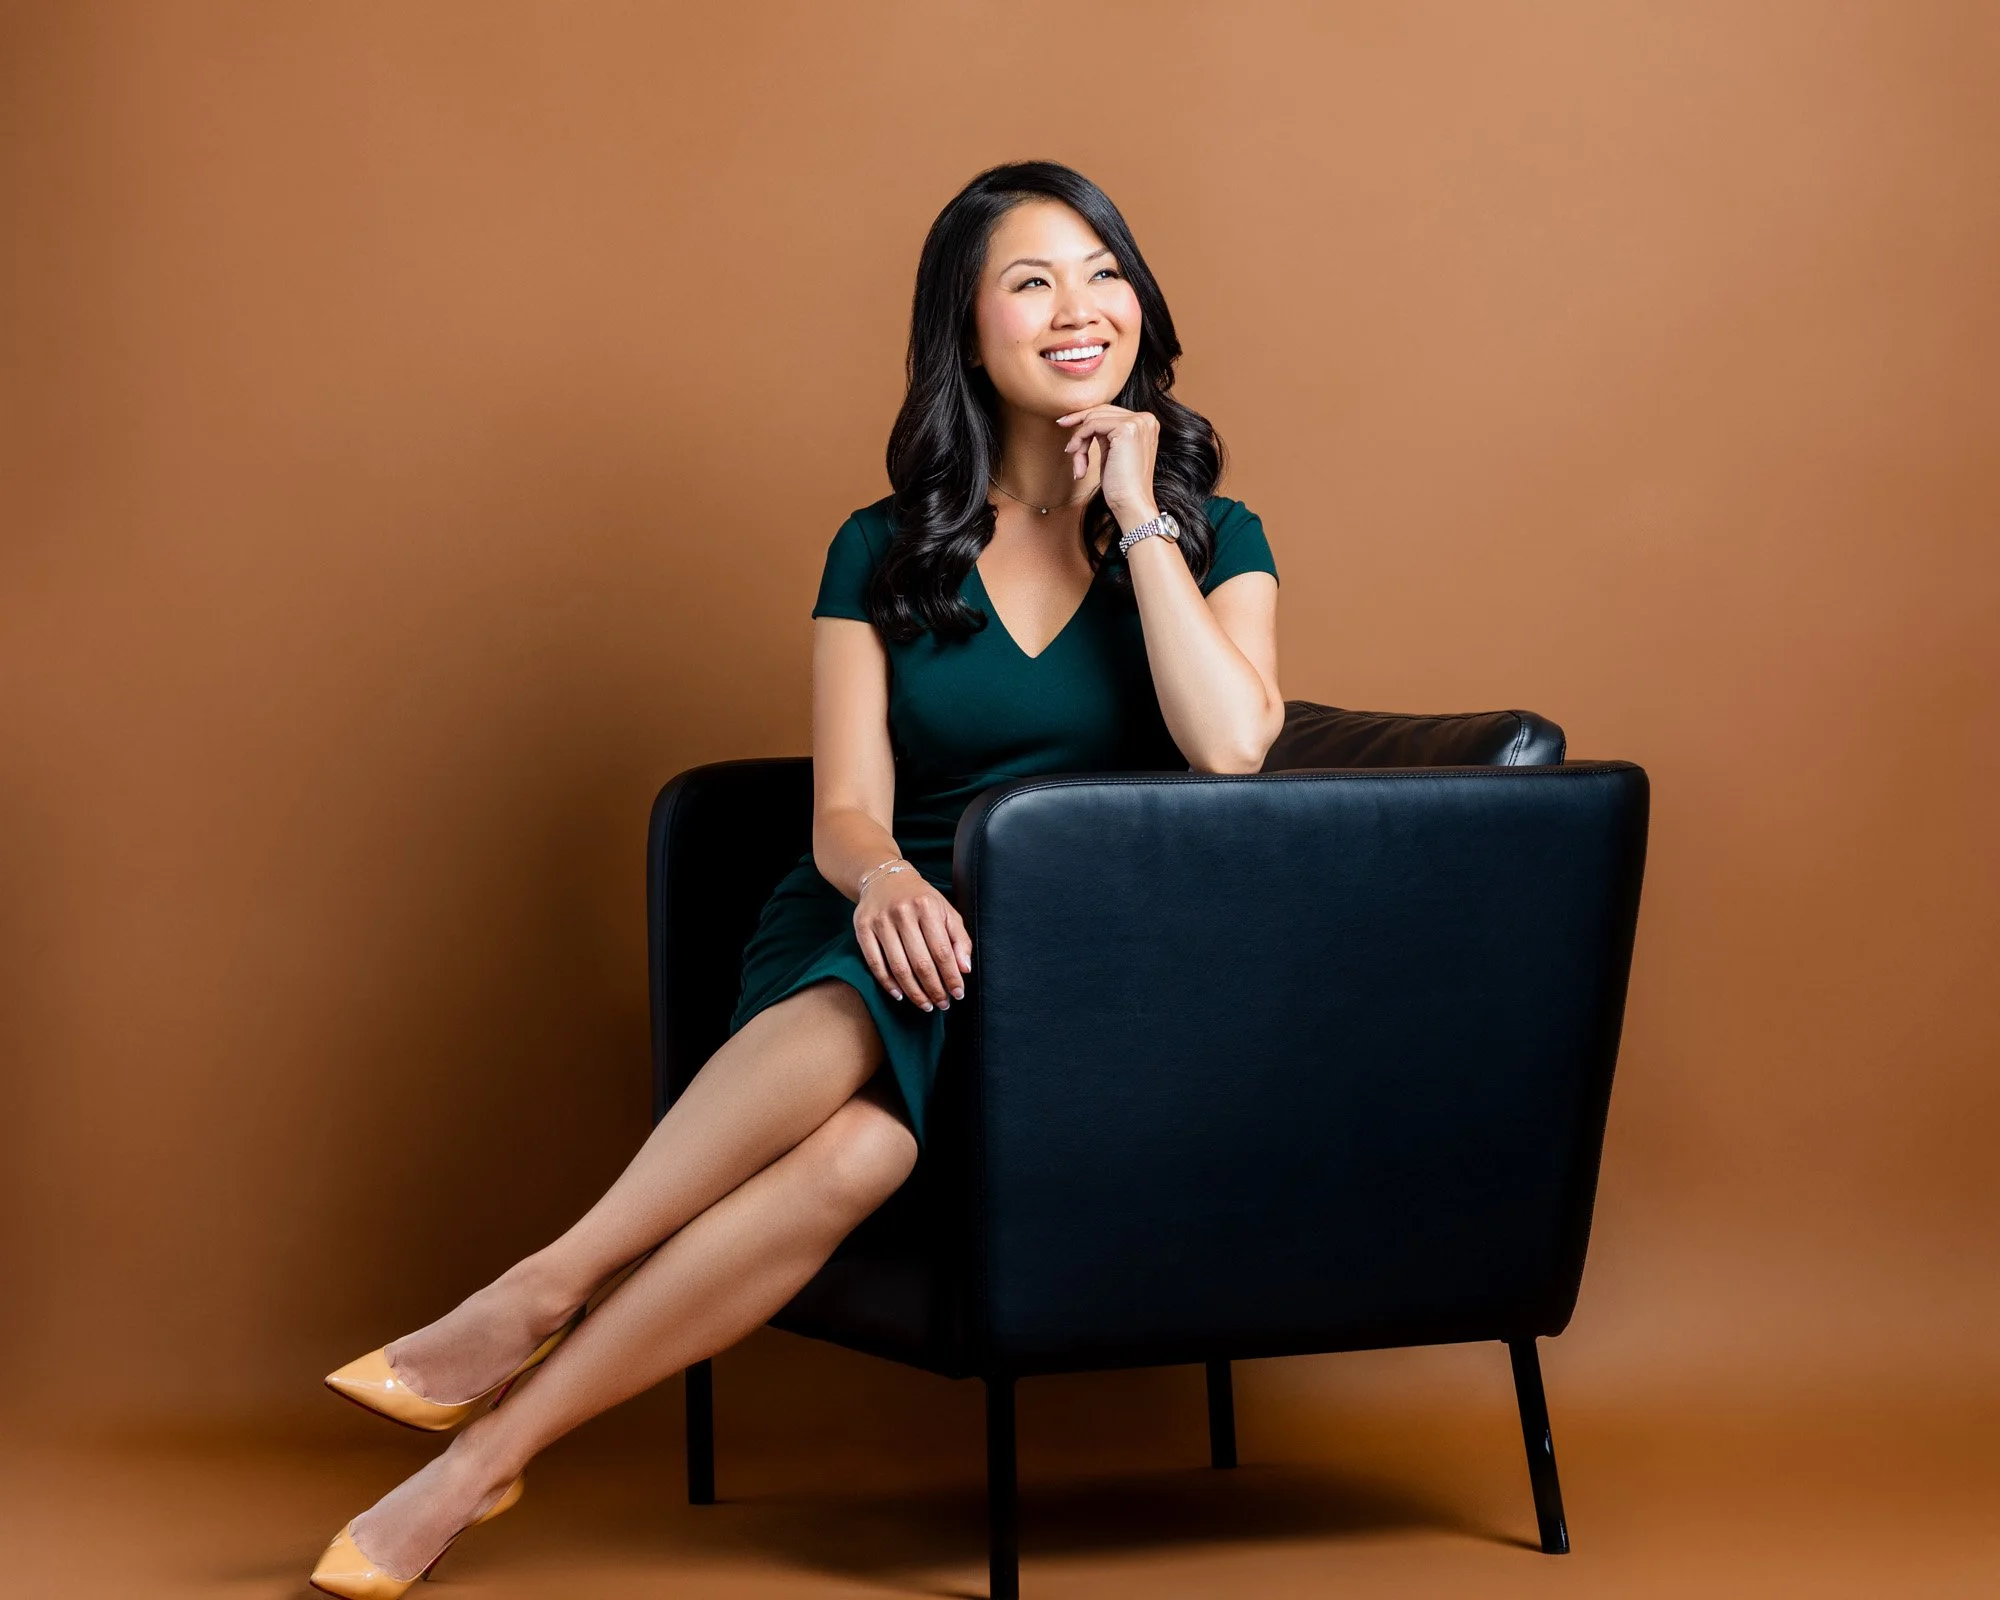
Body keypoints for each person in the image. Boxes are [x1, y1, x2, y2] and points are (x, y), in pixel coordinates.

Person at [307, 158, 1284, 1598]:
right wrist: (884, 878)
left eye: (1103, 272)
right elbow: (840, 805)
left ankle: (535, 1299)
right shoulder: (882, 549)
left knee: (877, 1100)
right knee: (861, 1141)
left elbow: (1233, 752)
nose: (1080, 308)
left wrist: (1136, 511)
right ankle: (472, 1467)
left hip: (1075, 969)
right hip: (875, 927)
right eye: (1032, 281)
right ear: (965, 332)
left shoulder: (1215, 534)